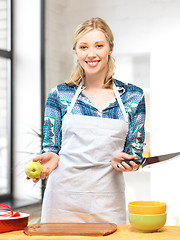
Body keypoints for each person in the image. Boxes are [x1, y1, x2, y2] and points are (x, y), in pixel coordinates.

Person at [28, 17, 146, 224]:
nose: (91, 54)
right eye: (83, 47)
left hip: (108, 201)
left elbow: (134, 155)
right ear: (76, 51)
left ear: (110, 48)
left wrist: (128, 162)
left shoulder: (133, 96)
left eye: (98, 46)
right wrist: (49, 159)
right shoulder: (60, 94)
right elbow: (51, 147)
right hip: (62, 200)